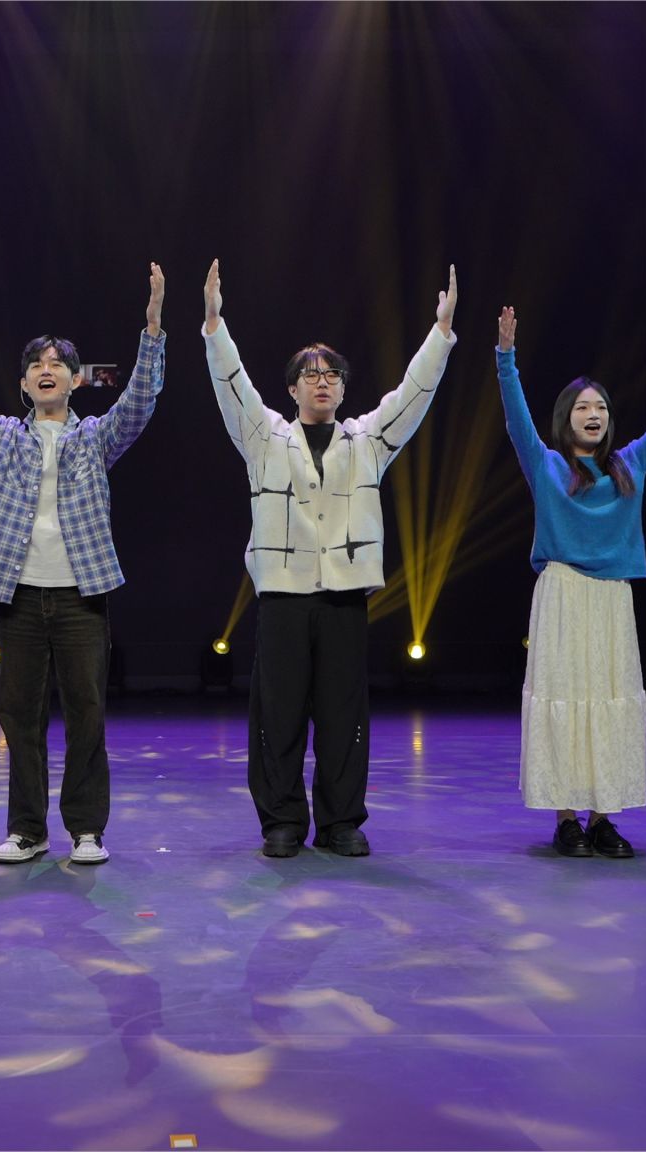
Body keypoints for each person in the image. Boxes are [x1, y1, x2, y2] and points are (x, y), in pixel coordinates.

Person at [200, 259, 460, 858]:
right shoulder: (264, 438)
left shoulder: (366, 441)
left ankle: (341, 821)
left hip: (344, 598)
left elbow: (413, 395)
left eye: (332, 375)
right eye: (310, 375)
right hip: (284, 599)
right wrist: (215, 325)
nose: (322, 382)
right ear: (292, 389)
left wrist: (441, 333)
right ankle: (282, 821)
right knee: (279, 714)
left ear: (343, 389)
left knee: (344, 715)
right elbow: (230, 384)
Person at [0, 259, 165, 866]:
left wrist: (153, 330)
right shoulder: (5, 435)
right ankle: (27, 829)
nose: (46, 369)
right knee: (18, 716)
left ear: (75, 380)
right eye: (36, 364)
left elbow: (139, 401)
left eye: (57, 364)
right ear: (24, 384)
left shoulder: (95, 436)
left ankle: (86, 829)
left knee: (87, 713)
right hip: (19, 594)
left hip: (81, 593)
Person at [496, 305, 646, 858]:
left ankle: (603, 816)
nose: (594, 414)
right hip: (562, 592)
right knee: (564, 699)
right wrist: (506, 358)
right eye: (583, 407)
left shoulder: (630, 464)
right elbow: (515, 417)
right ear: (566, 418)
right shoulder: (546, 464)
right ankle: (566, 818)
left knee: (608, 701)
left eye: (601, 407)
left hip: (611, 598)